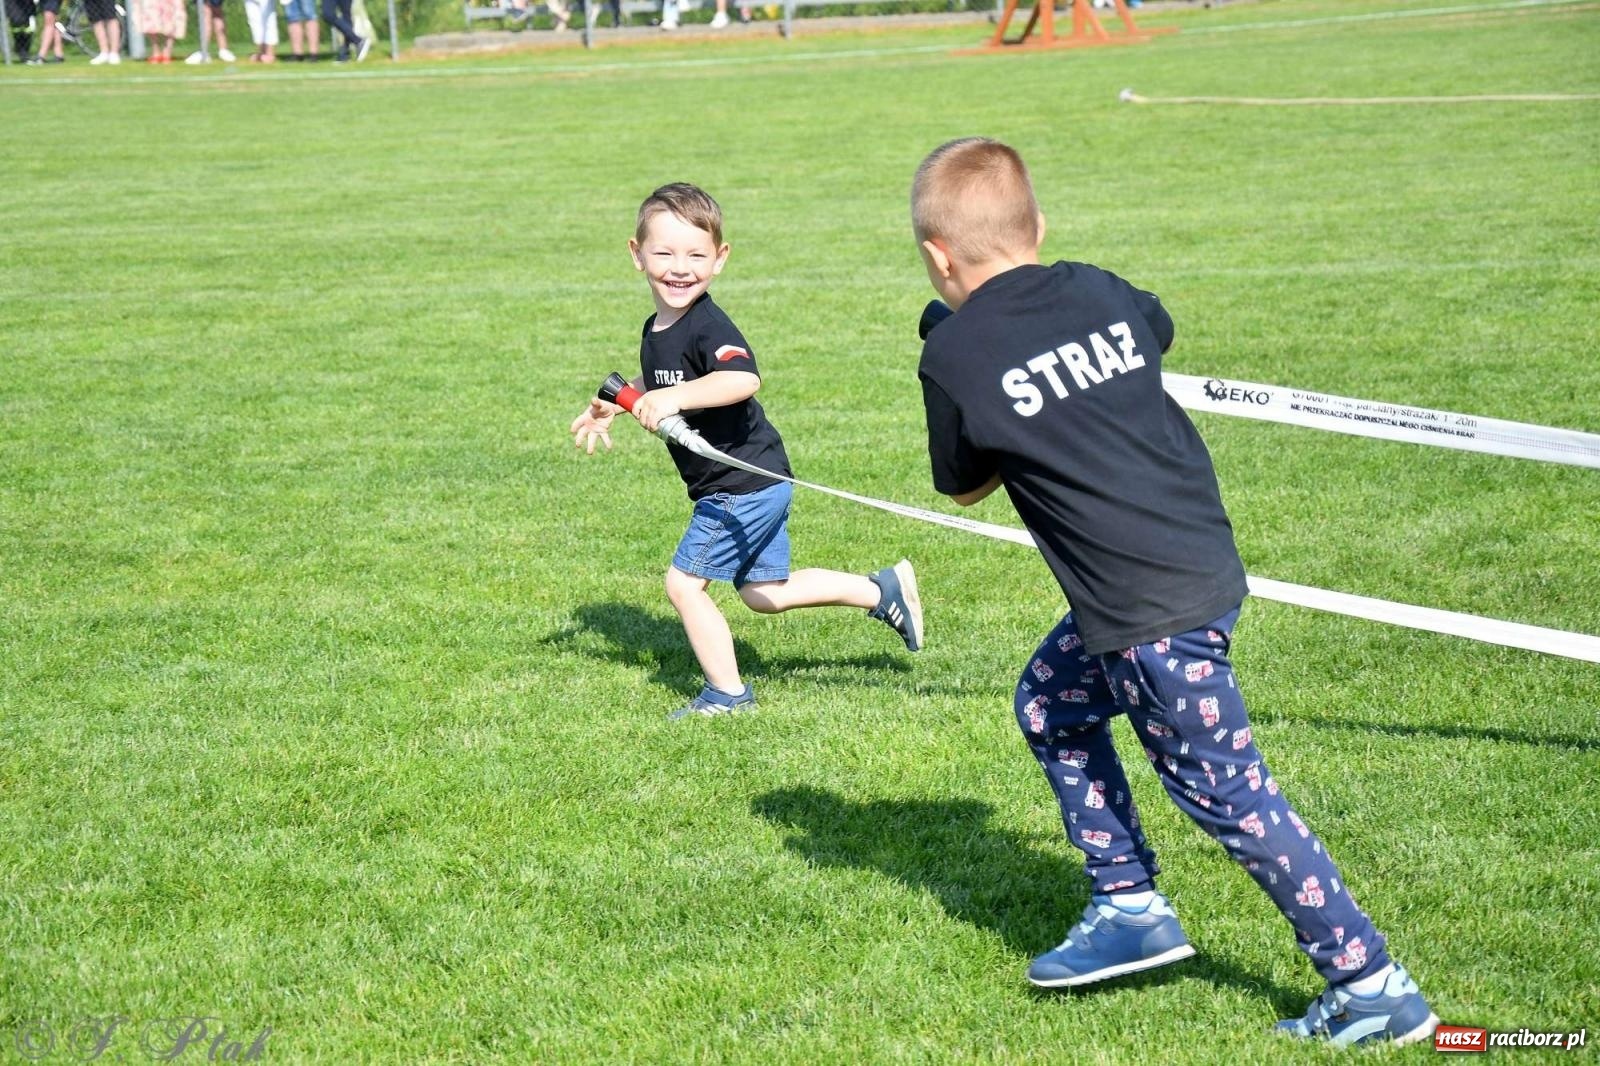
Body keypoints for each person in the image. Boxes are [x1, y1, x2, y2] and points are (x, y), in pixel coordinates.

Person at [908, 138, 1439, 1049]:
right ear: (1038, 227)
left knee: (1231, 793)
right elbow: (1155, 332)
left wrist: (960, 346)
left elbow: (963, 485)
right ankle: (1128, 905)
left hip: (1146, 616)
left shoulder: (955, 353)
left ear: (937, 256)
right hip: (1195, 567)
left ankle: (1372, 984)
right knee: (1049, 703)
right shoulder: (1098, 288)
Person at [570, 182, 925, 720]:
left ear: (719, 259)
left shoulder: (708, 325)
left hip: (740, 484)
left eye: (696, 256)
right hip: (756, 480)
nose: (679, 268)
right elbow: (663, 379)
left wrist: (673, 399)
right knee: (764, 593)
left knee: (684, 586)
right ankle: (881, 592)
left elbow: (741, 378)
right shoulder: (659, 328)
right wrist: (615, 404)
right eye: (664, 253)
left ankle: (728, 695)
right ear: (637, 255)